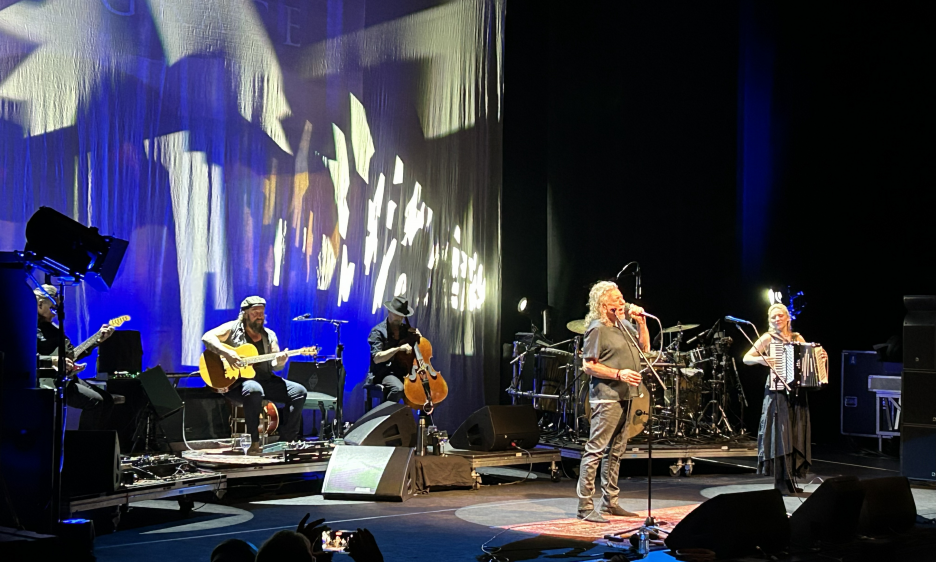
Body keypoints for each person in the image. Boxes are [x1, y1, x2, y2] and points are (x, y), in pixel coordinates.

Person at [576, 281, 649, 523]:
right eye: (617, 298)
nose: (622, 301)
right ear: (603, 303)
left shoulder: (625, 324)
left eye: (622, 297)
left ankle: (610, 502)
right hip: (606, 397)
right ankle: (585, 506)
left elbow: (644, 350)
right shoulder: (597, 328)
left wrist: (642, 323)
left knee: (616, 451)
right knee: (596, 450)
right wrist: (619, 374)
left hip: (627, 395)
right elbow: (588, 365)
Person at [202, 296, 306, 454]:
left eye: (262, 312)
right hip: (238, 384)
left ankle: (287, 440)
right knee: (254, 389)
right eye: (255, 312)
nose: (259, 316)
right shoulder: (232, 328)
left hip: (265, 380)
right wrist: (228, 353)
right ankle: (254, 442)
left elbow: (275, 365)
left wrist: (281, 361)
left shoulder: (269, 335)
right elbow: (207, 338)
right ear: (244, 314)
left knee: (299, 392)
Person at [743, 303, 828, 494]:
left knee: (795, 434)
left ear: (787, 317)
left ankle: (790, 478)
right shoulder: (767, 338)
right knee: (780, 436)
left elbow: (809, 359)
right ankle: (779, 481)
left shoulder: (797, 338)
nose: (777, 319)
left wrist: (820, 357)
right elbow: (746, 358)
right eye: (773, 317)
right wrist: (761, 359)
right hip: (776, 393)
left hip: (796, 392)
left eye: (780, 316)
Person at [35, 284, 115, 430]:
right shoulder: (28, 327)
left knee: (107, 400)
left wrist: (97, 341)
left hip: (66, 377)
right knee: (95, 402)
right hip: (46, 379)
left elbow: (72, 355)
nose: (55, 314)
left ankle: (95, 444)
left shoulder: (55, 329)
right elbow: (23, 357)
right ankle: (81, 448)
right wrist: (51, 361)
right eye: (52, 308)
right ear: (39, 304)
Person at [366, 295, 420, 405]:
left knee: (424, 389)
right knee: (398, 389)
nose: (399, 318)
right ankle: (384, 417)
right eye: (397, 315)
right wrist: (398, 349)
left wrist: (419, 339)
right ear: (389, 312)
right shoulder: (378, 331)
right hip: (384, 372)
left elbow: (416, 350)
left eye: (402, 316)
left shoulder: (405, 330)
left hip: (402, 371)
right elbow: (377, 358)